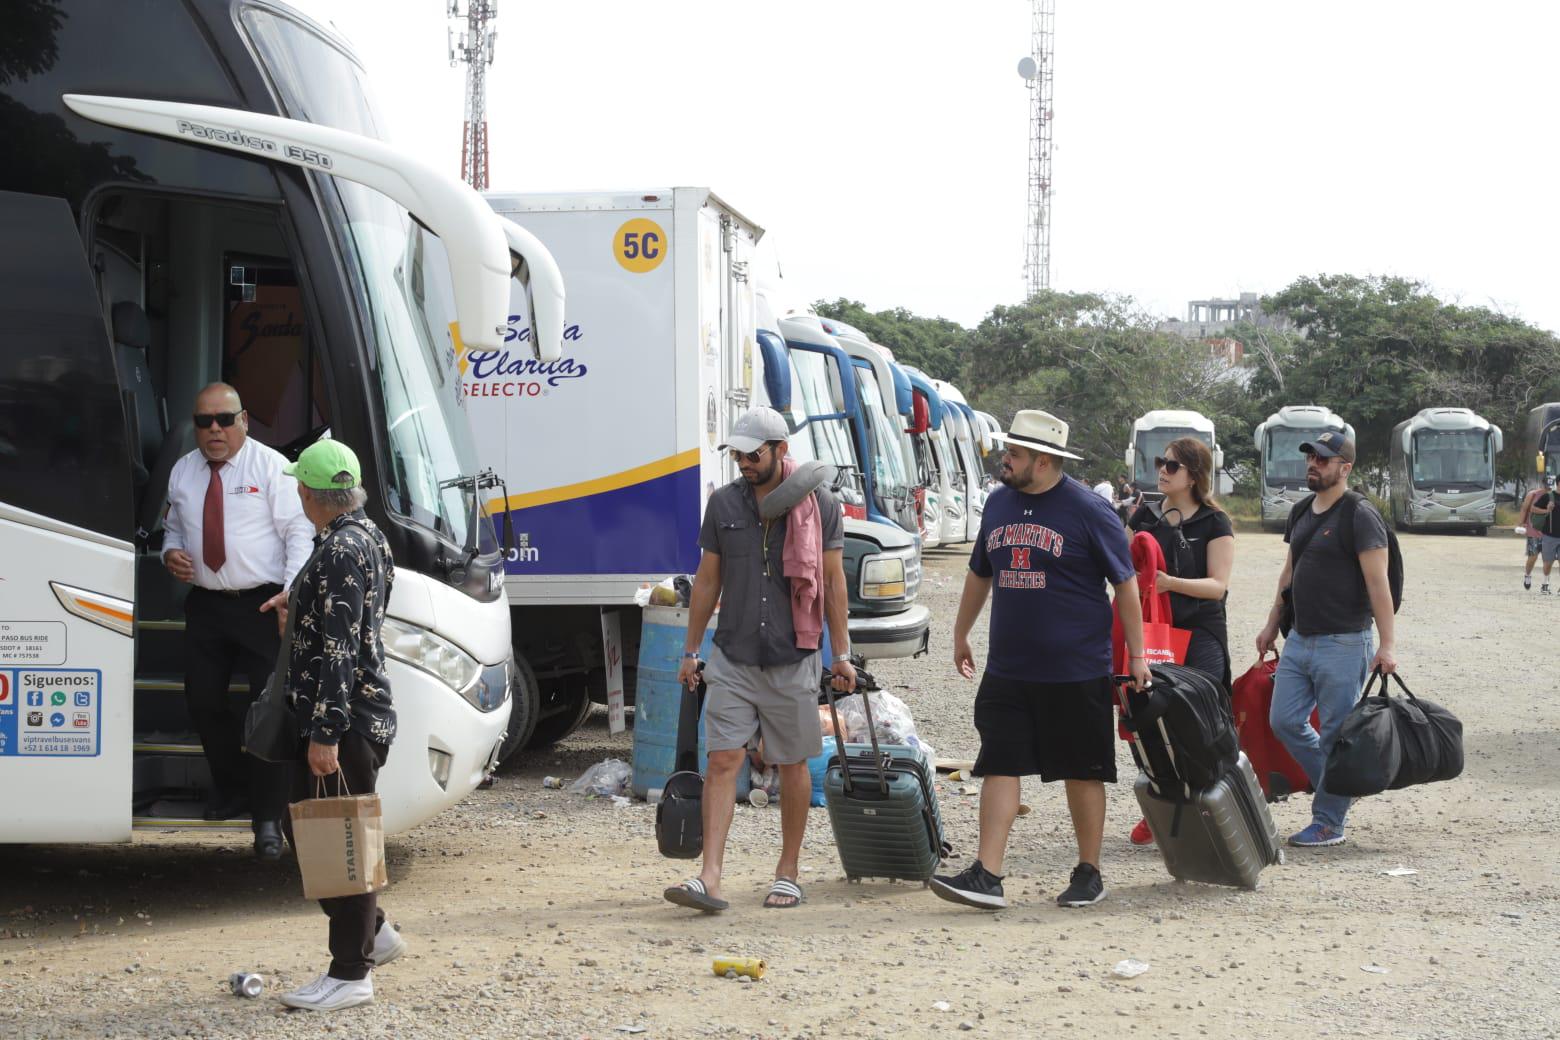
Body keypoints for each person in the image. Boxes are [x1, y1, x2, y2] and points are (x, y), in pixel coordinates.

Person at [931, 409, 1150, 911]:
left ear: (1046, 460)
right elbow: (979, 573)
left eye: (1015, 453)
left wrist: (1137, 654)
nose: (1005, 460)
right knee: (1000, 762)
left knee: (1082, 769)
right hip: (1009, 666)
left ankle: (1089, 872)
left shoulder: (1089, 509)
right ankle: (987, 875)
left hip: (1075, 669)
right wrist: (961, 631)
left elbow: (1126, 584)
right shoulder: (998, 504)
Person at [663, 407, 856, 913]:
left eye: (753, 454)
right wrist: (691, 650)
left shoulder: (821, 504)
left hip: (794, 656)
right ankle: (710, 876)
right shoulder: (724, 504)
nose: (743, 463)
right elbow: (708, 580)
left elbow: (833, 583)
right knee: (723, 759)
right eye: (737, 454)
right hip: (733, 655)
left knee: (792, 763)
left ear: (780, 450)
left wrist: (844, 655)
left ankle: (787, 872)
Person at [277, 440, 405, 1011]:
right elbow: (345, 621)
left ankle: (351, 972)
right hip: (355, 714)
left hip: (345, 719)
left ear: (310, 494)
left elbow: (340, 648)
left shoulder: (339, 551)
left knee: (341, 839)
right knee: (317, 827)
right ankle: (373, 931)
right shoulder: (367, 535)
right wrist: (297, 604)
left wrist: (325, 732)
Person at [160, 382, 313, 859]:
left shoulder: (272, 468)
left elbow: (298, 533)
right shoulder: (183, 472)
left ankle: (266, 819)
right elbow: (172, 529)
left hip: (264, 604)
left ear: (244, 420)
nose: (214, 431)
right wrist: (170, 554)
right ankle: (231, 788)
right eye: (204, 421)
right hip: (207, 604)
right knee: (202, 702)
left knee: (266, 714)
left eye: (224, 420)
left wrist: (290, 595)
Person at [1255, 431, 1396, 848]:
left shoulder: (1359, 514)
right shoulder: (1301, 510)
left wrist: (1387, 645)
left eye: (1322, 458)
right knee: (1284, 720)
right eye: (1310, 457)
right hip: (1299, 638)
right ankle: (1339, 787)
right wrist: (1271, 622)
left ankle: (1329, 821)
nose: (1312, 463)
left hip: (1345, 641)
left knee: (1335, 732)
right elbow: (1289, 574)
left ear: (1345, 467)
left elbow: (1378, 582)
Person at [1125, 437, 1235, 847]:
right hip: (1154, 634)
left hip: (1201, 632)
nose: (1162, 471)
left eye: (1171, 465)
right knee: (1148, 722)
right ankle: (1159, 808)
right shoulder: (1145, 516)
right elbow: (1120, 565)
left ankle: (1212, 809)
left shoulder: (1214, 522)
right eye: (1160, 463)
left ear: (1194, 475)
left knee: (1197, 722)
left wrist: (1169, 584)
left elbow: (1217, 586)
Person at [1529, 475, 1560, 594]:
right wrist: (1546, 510)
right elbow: (1533, 508)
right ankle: (1545, 583)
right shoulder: (1548, 496)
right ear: (1558, 483)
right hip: (1549, 535)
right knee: (1548, 563)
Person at [1516, 480, 1547, 590]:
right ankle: (1528, 575)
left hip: (1550, 533)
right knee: (1532, 557)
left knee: (1548, 559)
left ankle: (1545, 583)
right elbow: (1524, 509)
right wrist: (1520, 524)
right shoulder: (1532, 495)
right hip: (1533, 530)